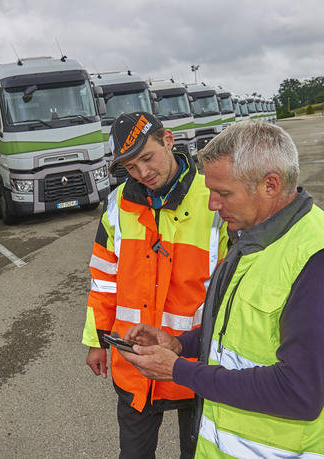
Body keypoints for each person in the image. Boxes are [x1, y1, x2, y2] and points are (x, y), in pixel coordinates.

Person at [120, 120, 324, 458]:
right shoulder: (254, 240)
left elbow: (299, 392)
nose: (212, 204)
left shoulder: (323, 263)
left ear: (270, 185)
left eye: (223, 193)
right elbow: (240, 333)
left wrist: (177, 370)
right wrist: (180, 343)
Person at [81, 112, 227, 458]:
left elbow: (231, 287)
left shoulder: (214, 199)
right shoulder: (117, 205)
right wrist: (96, 341)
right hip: (136, 365)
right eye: (130, 167)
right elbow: (103, 279)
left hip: (193, 362)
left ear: (169, 141)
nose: (142, 173)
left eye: (147, 158)